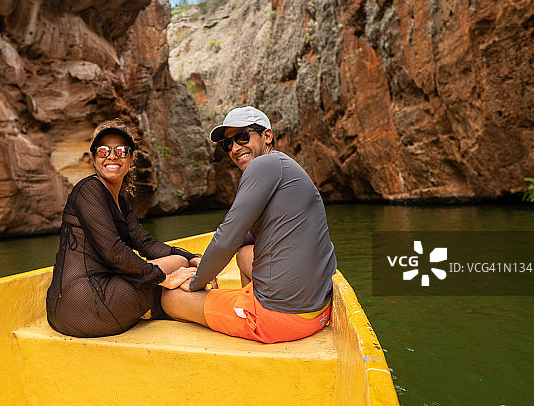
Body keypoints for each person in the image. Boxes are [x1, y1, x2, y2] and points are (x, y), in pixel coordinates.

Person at [162, 106, 337, 344]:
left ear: (267, 135)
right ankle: (249, 301)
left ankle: (252, 317)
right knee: (244, 254)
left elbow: (227, 237)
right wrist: (206, 267)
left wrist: (197, 282)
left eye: (242, 137)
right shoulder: (283, 166)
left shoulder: (262, 166)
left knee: (170, 298)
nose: (235, 148)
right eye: (228, 144)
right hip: (318, 310)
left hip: (280, 318)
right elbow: (239, 239)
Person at [46, 119, 198, 337]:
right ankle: (172, 310)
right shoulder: (88, 190)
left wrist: (192, 256)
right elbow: (113, 251)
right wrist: (164, 278)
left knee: (180, 263)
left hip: (86, 301)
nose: (112, 156)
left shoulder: (119, 201)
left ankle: (166, 309)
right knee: (175, 268)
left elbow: (145, 243)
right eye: (103, 150)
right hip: (84, 304)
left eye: (121, 150)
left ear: (131, 158)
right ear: (93, 158)